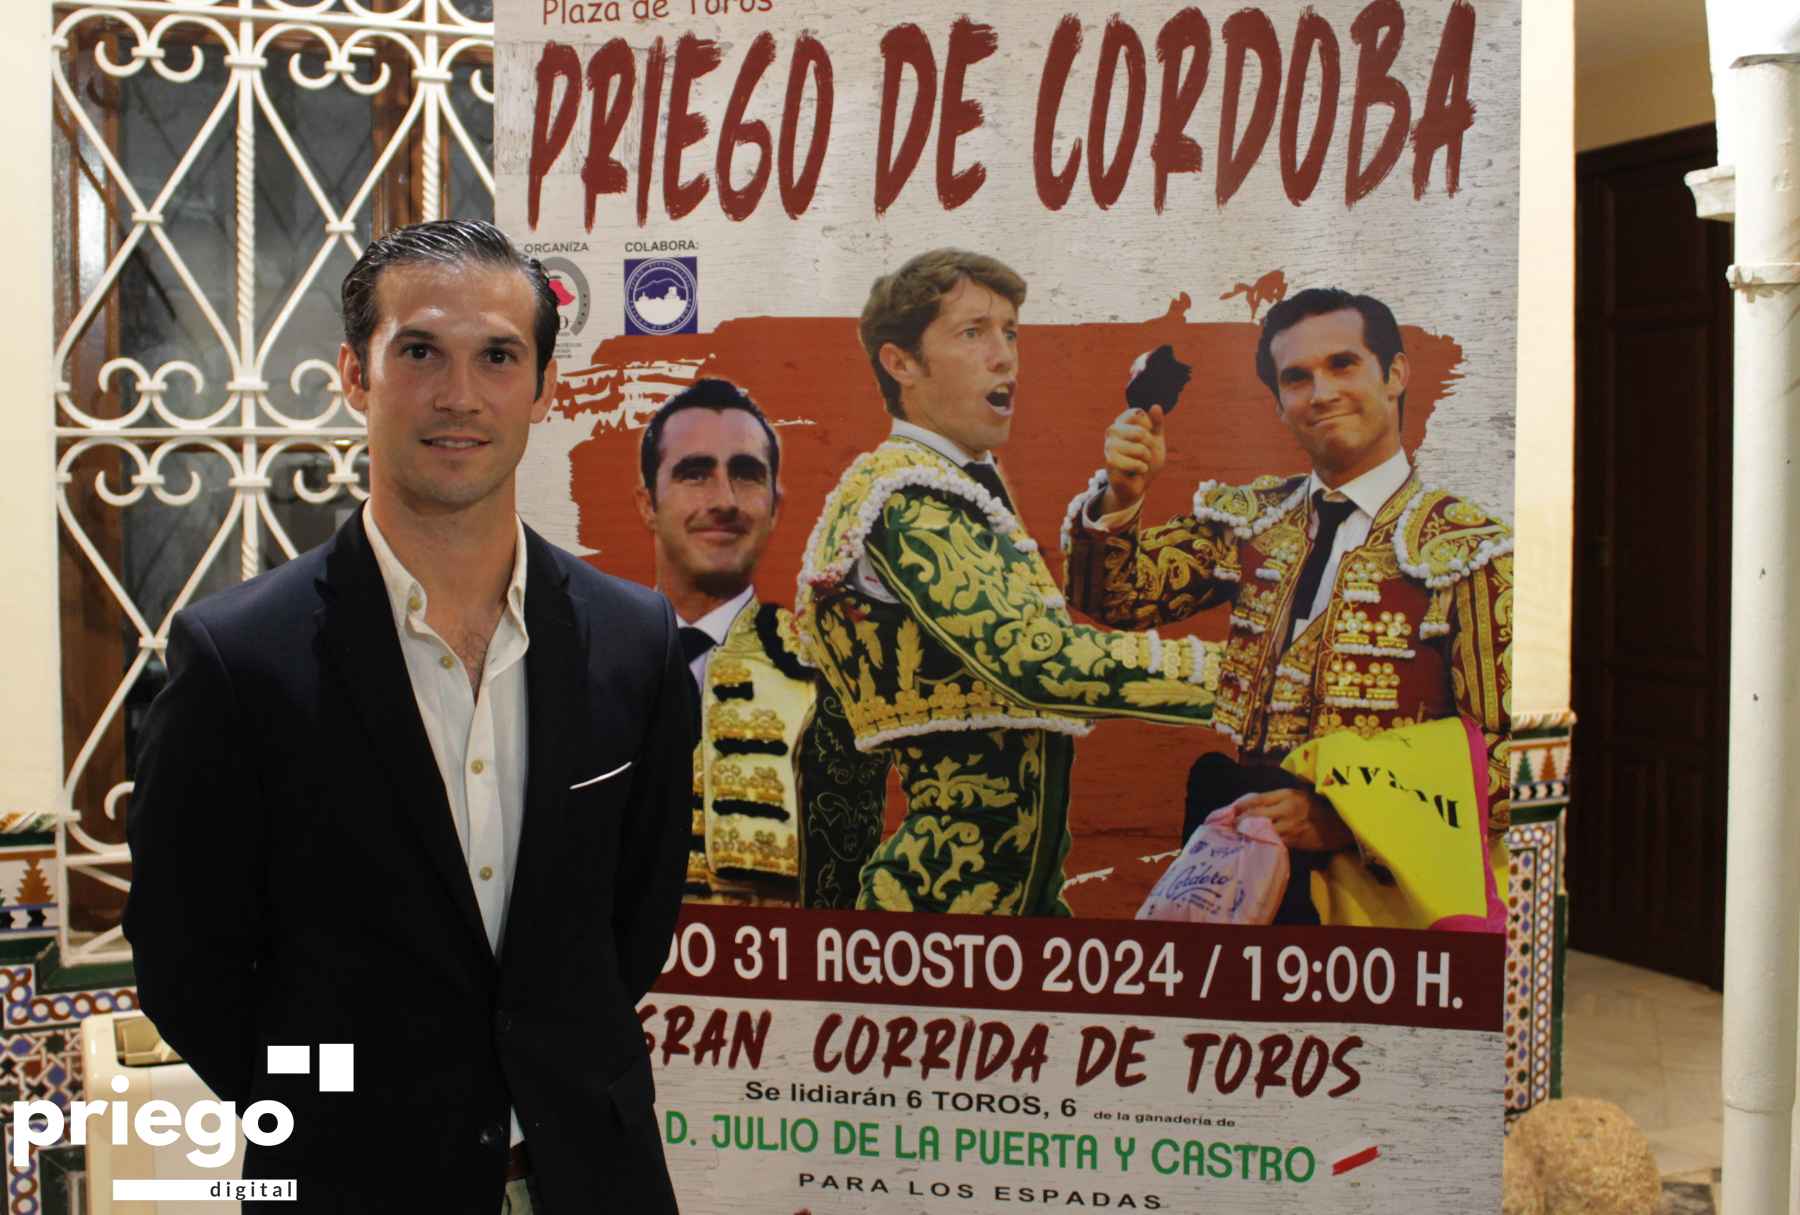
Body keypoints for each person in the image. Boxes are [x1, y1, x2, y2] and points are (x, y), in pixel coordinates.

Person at [123, 220, 694, 1213]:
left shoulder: (635, 642)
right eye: (419, 351)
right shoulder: (238, 660)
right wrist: (337, 1119)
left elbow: (628, 931)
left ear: (544, 387)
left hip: (594, 1181)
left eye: (499, 357)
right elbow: (187, 967)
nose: (460, 396)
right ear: (356, 374)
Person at [1061, 287, 1512, 923]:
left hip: (1380, 890)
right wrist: (1122, 493)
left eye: (1343, 364)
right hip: (1246, 857)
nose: (1321, 392)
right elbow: (1114, 596)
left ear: (1397, 374)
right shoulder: (1254, 522)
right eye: (1296, 378)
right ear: (1279, 404)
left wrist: (1348, 820)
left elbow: (1513, 755)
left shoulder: (1467, 551)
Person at [794, 248, 1222, 917]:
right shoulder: (907, 494)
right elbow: (1034, 657)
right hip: (940, 918)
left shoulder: (960, 484)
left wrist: (1120, 494)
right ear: (900, 362)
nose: (1006, 356)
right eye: (974, 332)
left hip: (1002, 911)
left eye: (1011, 332)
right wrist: (1249, 678)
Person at [634, 378, 889, 909]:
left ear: (774, 506)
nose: (724, 500)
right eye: (695, 473)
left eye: (746, 475)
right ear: (648, 505)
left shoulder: (832, 676)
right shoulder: (580, 666)